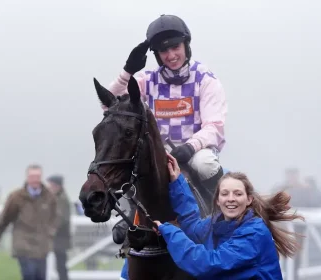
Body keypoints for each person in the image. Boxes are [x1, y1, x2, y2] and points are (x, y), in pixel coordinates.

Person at [108, 14, 227, 246]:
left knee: (205, 164)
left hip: (196, 150)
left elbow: (215, 126)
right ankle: (130, 214)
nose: (171, 56)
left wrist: (190, 147)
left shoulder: (206, 79)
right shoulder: (146, 80)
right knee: (134, 162)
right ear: (157, 55)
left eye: (175, 47)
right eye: (164, 51)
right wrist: (126, 72)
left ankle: (223, 217)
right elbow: (111, 105)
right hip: (158, 151)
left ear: (186, 45)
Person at [150, 153, 304, 279]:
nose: (231, 198)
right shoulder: (215, 224)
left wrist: (169, 231)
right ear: (217, 200)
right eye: (225, 193)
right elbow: (192, 226)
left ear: (249, 199)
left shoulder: (254, 233)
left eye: (238, 193)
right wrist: (177, 182)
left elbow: (208, 265)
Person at [0, 164, 57, 280]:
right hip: (24, 245)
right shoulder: (16, 197)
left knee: (40, 277)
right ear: (27, 178)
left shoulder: (49, 197)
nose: (35, 180)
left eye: (37, 176)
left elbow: (55, 218)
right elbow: (4, 219)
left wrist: (50, 233)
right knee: (29, 275)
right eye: (32, 177)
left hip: (42, 247)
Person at [47, 175, 72, 280]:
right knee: (59, 265)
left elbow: (61, 219)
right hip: (57, 238)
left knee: (61, 266)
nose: (49, 187)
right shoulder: (57, 197)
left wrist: (49, 229)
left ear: (57, 186)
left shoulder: (62, 199)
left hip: (60, 238)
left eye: (51, 185)